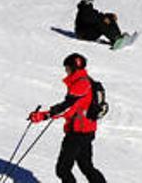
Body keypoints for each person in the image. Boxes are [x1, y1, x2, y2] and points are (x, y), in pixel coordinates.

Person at [28, 54, 107, 183]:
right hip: (87, 130)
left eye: (67, 68)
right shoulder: (87, 80)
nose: (66, 71)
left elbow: (68, 108)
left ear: (73, 68)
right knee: (86, 166)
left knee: (63, 169)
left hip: (77, 132)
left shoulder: (81, 84)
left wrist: (43, 116)